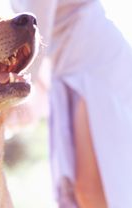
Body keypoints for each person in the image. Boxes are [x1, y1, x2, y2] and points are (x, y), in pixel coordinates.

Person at [10, 0, 132, 207]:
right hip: (63, 71)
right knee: (78, 191)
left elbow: (38, 35)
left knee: (92, 187)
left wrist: (14, 97)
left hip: (96, 64)